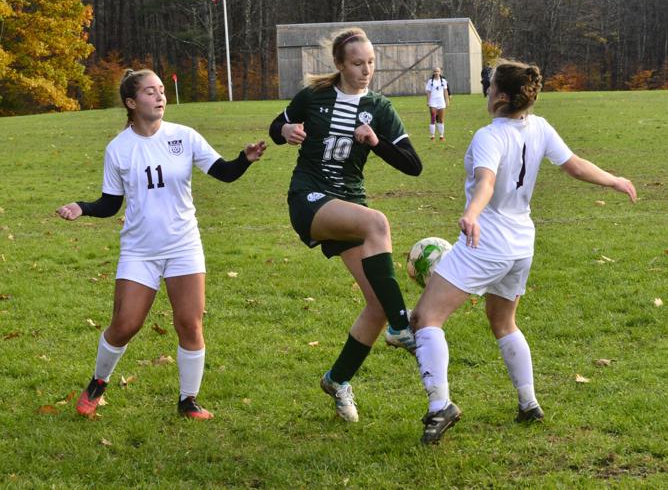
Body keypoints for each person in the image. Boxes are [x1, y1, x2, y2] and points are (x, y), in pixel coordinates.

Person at [411, 59, 637, 445]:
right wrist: (615, 179)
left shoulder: (489, 136)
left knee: (425, 318)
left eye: (489, 86)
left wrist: (470, 213)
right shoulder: (540, 127)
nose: (486, 92)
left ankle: (440, 407)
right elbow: (575, 166)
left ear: (499, 96)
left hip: (486, 242)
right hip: (521, 245)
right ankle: (529, 403)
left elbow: (486, 181)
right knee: (503, 321)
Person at [57, 69, 266, 420]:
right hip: (140, 251)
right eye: (150, 92)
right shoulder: (119, 149)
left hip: (183, 246)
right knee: (125, 325)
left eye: (162, 91)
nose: (160, 97)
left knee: (190, 323)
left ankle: (188, 401)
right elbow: (110, 204)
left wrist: (244, 159)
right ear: (131, 102)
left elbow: (223, 172)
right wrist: (83, 207)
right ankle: (98, 382)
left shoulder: (184, 137)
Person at [268, 28, 422, 422]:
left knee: (375, 305)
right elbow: (277, 126)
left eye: (371, 62)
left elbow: (413, 165)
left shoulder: (379, 108)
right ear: (339, 64)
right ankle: (404, 328)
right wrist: (284, 131)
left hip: (348, 203)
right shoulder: (314, 97)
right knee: (377, 222)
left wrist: (376, 143)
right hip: (308, 199)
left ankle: (337, 380)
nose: (366, 70)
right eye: (357, 63)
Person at [425, 67, 450, 142]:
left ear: (440, 72)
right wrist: (428, 101)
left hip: (441, 102)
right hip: (433, 102)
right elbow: (428, 92)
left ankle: (441, 136)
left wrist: (447, 100)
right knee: (433, 118)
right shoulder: (430, 81)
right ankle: (432, 136)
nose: (436, 73)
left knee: (441, 119)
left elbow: (445, 91)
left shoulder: (443, 81)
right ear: (433, 72)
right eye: (435, 71)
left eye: (438, 71)